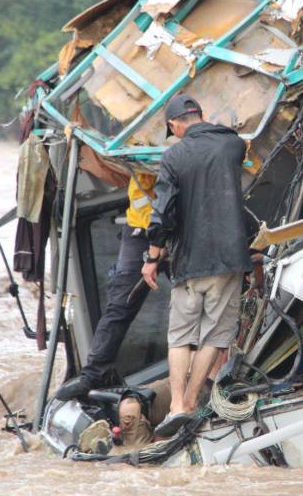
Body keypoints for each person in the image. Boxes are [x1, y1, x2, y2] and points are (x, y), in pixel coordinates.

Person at [142, 94, 251, 437]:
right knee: (215, 336)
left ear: (174, 125)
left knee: (180, 337)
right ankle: (190, 403)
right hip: (230, 260)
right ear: (201, 115)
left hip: (189, 262)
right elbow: (230, 143)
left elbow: (162, 212)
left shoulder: (173, 155)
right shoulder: (232, 146)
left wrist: (152, 258)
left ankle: (176, 406)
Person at [55, 172, 157, 400]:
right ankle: (94, 374)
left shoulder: (190, 147)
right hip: (141, 226)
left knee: (193, 299)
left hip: (182, 226)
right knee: (121, 301)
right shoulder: (140, 141)